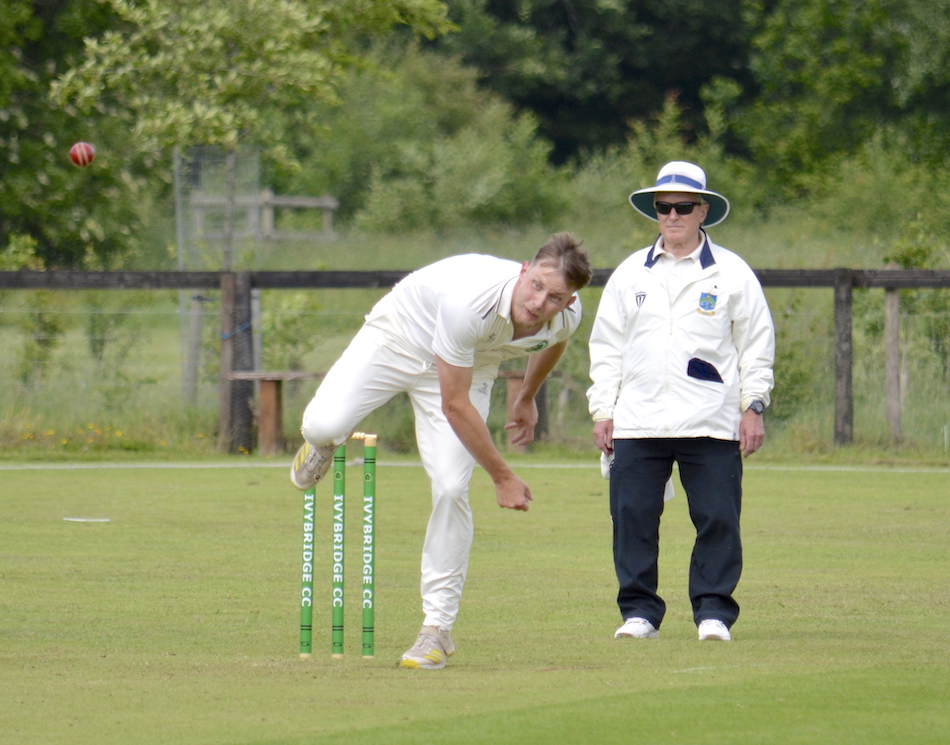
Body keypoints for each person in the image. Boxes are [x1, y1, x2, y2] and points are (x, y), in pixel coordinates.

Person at [290, 233, 593, 668]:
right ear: (525, 271)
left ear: (569, 301)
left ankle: (436, 631)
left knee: (452, 487)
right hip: (399, 337)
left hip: (468, 360)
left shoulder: (566, 315)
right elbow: (455, 405)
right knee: (323, 425)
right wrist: (503, 475)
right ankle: (323, 446)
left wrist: (526, 396)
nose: (539, 302)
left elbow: (553, 342)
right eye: (536, 286)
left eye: (555, 297)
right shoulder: (470, 301)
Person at [587, 161, 774, 642]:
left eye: (683, 207)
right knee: (632, 519)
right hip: (637, 420)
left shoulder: (731, 274)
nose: (672, 215)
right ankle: (639, 613)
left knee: (717, 518)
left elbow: (755, 344)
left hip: (710, 418)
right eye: (664, 207)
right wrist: (603, 410)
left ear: (703, 211)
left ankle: (712, 612)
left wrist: (753, 405)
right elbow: (607, 347)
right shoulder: (630, 274)